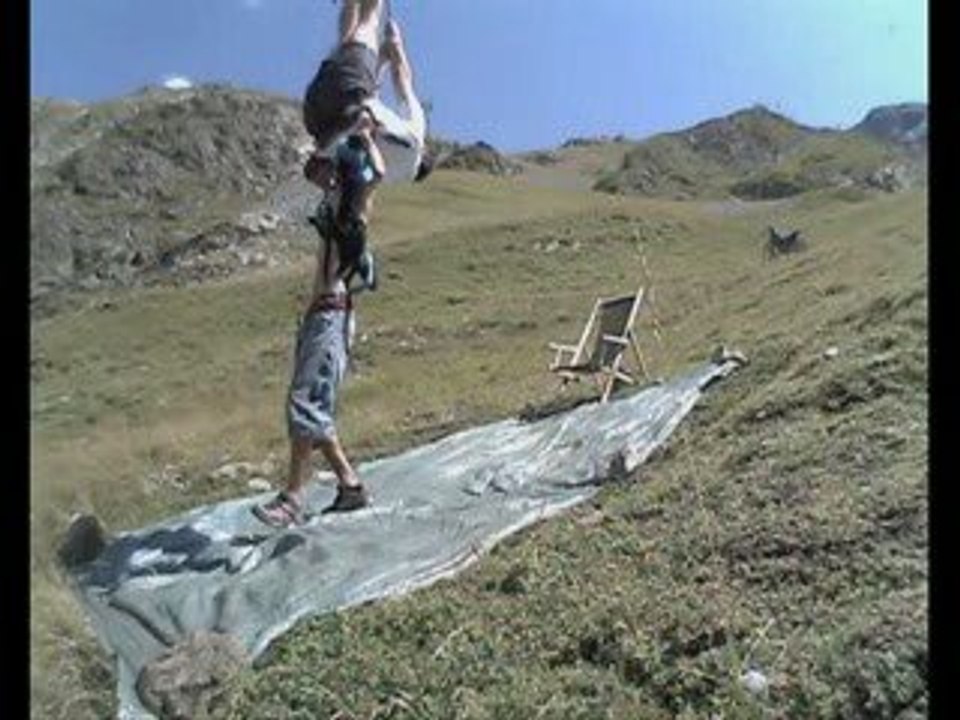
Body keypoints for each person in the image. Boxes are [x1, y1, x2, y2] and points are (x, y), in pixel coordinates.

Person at [253, 116, 385, 527]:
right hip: (321, 316)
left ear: (341, 173)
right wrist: (350, 135)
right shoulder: (334, 202)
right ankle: (349, 486)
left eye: (327, 168)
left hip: (330, 315)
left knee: (305, 404)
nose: (319, 172)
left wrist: (366, 138)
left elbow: (375, 174)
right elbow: (329, 169)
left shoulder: (353, 209)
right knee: (314, 405)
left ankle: (293, 498)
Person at [303, 0, 388, 155]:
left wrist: (383, 64)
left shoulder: (352, 132)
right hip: (324, 84)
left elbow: (368, 111)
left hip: (351, 79)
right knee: (346, 36)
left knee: (368, 22)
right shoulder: (315, 128)